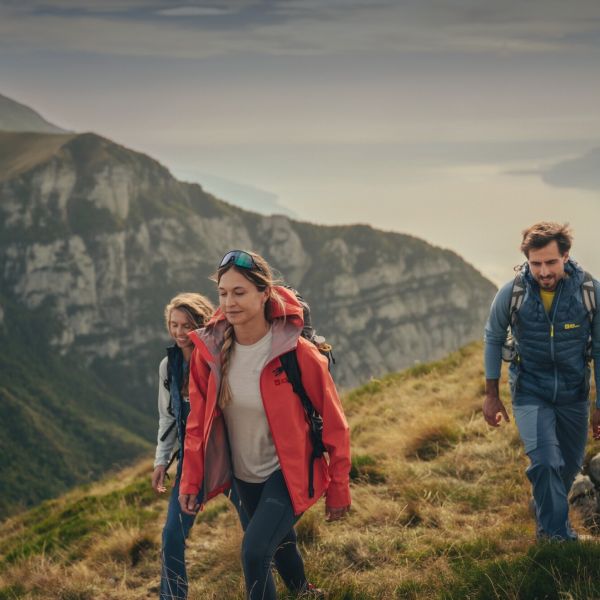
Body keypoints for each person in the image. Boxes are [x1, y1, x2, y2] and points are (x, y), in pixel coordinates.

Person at [178, 250, 351, 599]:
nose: (230, 302)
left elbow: (336, 425)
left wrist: (339, 487)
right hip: (244, 477)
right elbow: (197, 424)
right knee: (280, 542)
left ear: (264, 293)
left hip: (288, 473)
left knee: (255, 552)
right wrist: (191, 480)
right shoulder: (209, 353)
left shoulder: (298, 353)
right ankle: (304, 593)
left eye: (239, 292)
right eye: (223, 293)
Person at [483, 222, 600, 541]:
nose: (543, 271)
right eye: (536, 264)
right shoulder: (512, 293)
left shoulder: (590, 292)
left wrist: (598, 405)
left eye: (551, 262)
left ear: (566, 256)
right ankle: (556, 536)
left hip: (574, 395)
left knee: (568, 466)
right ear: (527, 261)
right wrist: (491, 395)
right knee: (546, 461)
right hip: (530, 392)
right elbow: (493, 338)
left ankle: (544, 505)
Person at [152, 292, 247, 600]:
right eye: (173, 325)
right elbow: (167, 419)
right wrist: (161, 462)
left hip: (230, 457)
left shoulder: (222, 356)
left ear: (202, 324)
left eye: (187, 325)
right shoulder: (169, 367)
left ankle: (294, 585)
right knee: (172, 537)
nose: (179, 333)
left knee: (258, 526)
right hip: (191, 463)